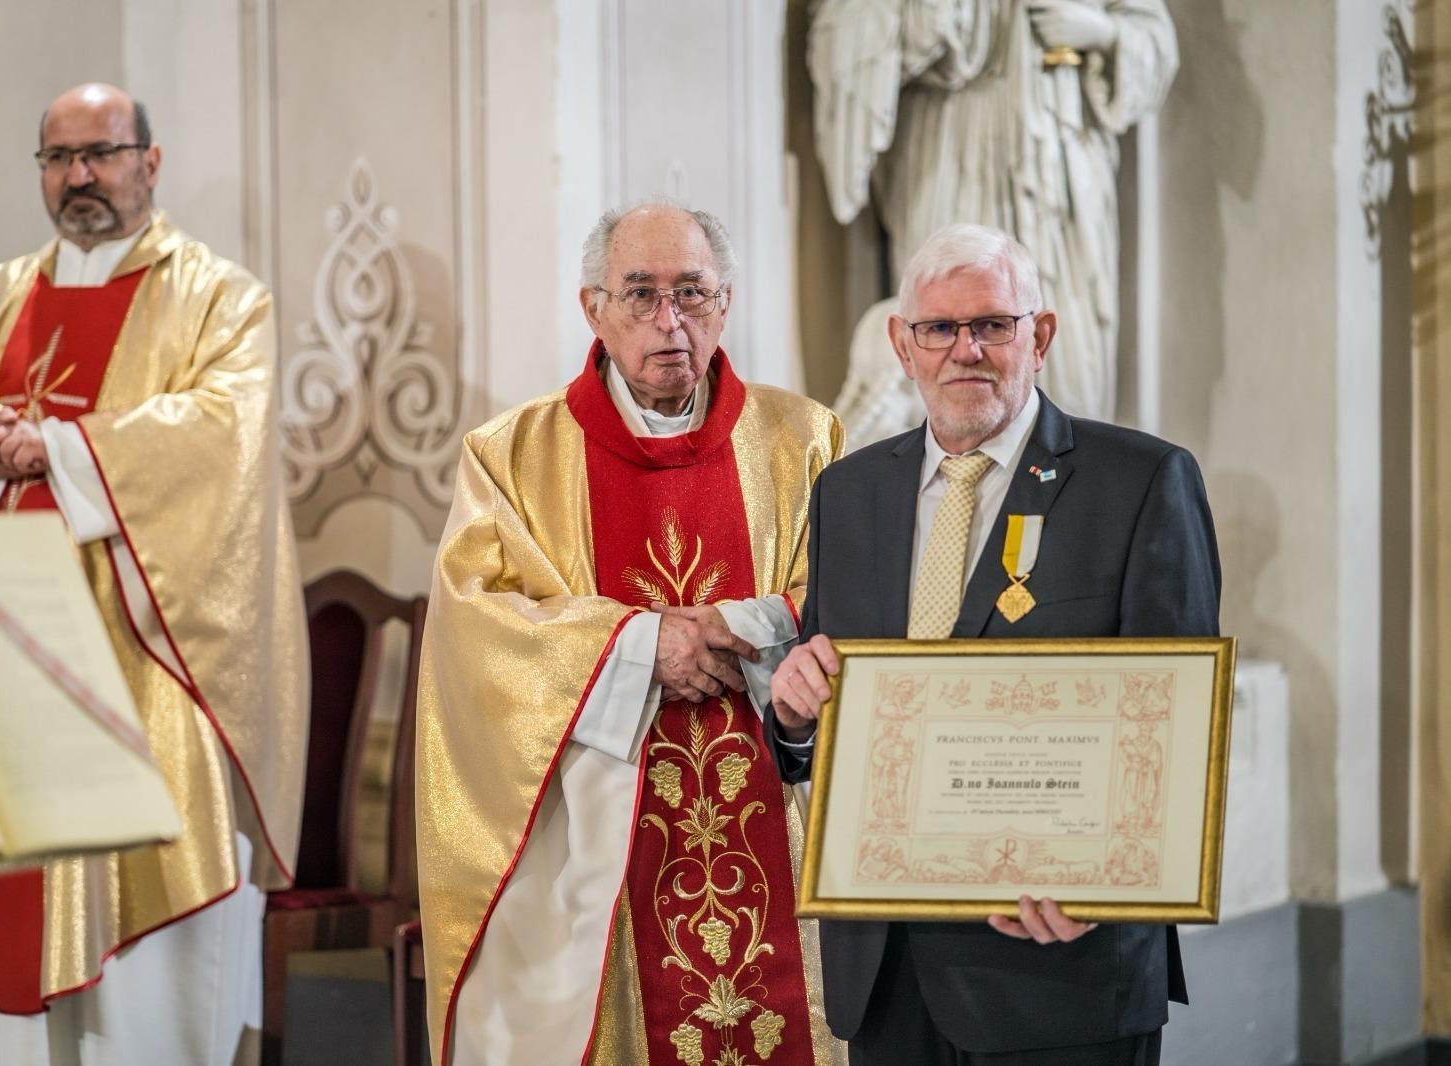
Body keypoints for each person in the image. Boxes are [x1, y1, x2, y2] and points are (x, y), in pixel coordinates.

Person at [0, 82, 307, 1065]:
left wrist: (60, 450)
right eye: (59, 158)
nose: (81, 176)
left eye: (102, 154)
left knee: (141, 966)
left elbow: (221, 438)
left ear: (149, 162)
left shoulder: (221, 299)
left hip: (147, 663)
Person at [767, 223, 1220, 1065]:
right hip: (887, 966)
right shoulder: (848, 493)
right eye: (940, 328)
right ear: (903, 344)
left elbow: (1179, 724)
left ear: (1038, 336)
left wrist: (1110, 886)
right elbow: (831, 714)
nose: (965, 350)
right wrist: (793, 717)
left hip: (1060, 969)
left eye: (992, 325)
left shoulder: (1139, 482)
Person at [416, 201, 846, 1065]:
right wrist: (641, 647)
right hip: (599, 838)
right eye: (641, 294)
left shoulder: (804, 440)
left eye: (692, 293)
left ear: (725, 303)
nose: (669, 320)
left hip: (780, 811)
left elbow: (852, 592)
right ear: (594, 308)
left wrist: (738, 624)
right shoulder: (511, 455)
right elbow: (479, 629)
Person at [811, 0, 1178, 439]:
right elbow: (844, 25)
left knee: (1068, 330)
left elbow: (1152, 34)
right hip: (949, 139)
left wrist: (1103, 33)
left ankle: (1070, 469)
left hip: (1059, 153)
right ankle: (952, 471)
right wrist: (926, 19)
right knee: (947, 308)